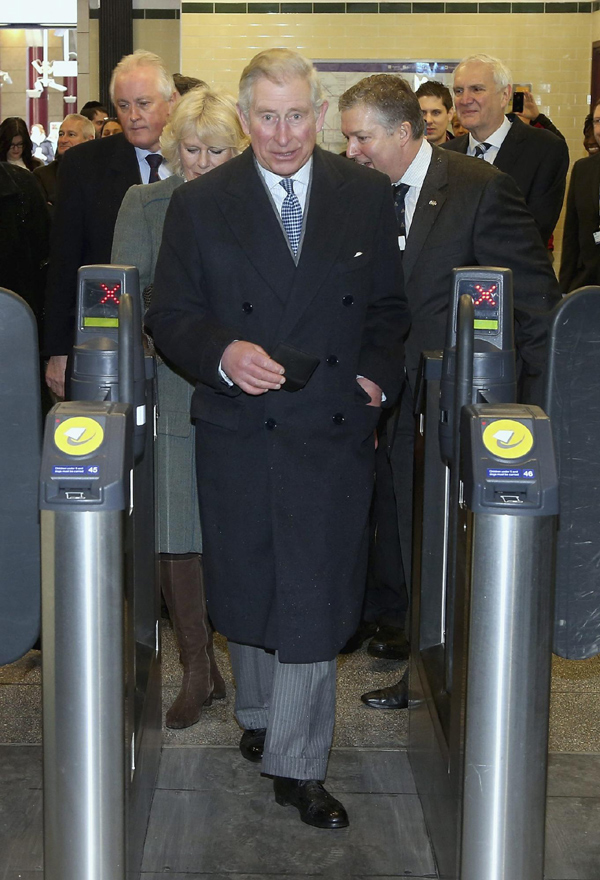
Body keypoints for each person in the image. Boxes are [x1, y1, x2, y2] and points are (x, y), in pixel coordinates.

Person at [146, 48, 408, 828]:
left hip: (328, 431)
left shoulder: (363, 194)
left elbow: (390, 313)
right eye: (267, 117)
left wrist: (373, 378)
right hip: (239, 432)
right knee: (251, 590)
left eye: (298, 116)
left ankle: (300, 765)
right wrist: (222, 353)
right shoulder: (201, 203)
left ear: (320, 115)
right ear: (244, 114)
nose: (284, 134)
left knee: (312, 597)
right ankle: (257, 716)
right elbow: (171, 316)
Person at [339, 73, 562, 709]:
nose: (351, 150)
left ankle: (444, 674)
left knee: (444, 540)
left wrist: (536, 409)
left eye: (362, 138)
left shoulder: (479, 191)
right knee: (398, 530)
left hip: (454, 405)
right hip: (380, 397)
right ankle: (410, 641)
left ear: (404, 132)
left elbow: (535, 306)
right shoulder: (358, 194)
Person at [112, 87, 248, 729]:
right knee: (175, 528)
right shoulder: (145, 204)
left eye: (216, 151)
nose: (200, 162)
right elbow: (121, 299)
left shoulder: (261, 205)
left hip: (247, 386)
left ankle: (239, 660)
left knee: (238, 523)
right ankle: (197, 666)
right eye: (190, 150)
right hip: (171, 385)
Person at [43, 49, 178, 399]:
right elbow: (63, 261)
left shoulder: (197, 159)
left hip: (183, 339)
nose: (132, 116)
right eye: (123, 105)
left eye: (144, 103)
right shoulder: (83, 167)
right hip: (108, 338)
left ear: (170, 102)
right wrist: (58, 352)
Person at [444, 54, 569, 248]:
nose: (465, 99)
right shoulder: (444, 155)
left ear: (505, 95)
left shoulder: (545, 149)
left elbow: (534, 233)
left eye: (477, 89)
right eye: (458, 91)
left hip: (512, 275)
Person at [559, 100, 600, 293]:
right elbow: (571, 237)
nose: (599, 128)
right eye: (597, 121)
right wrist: (565, 290)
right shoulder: (583, 170)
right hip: (587, 285)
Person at [34, 114, 95, 208]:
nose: (63, 140)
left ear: (90, 140)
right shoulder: (43, 175)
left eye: (71, 134)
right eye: (61, 134)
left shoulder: (100, 174)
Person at [415, 80, 454, 145]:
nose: (428, 120)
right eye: (422, 113)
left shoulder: (464, 152)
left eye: (436, 113)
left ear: (450, 114)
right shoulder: (402, 153)